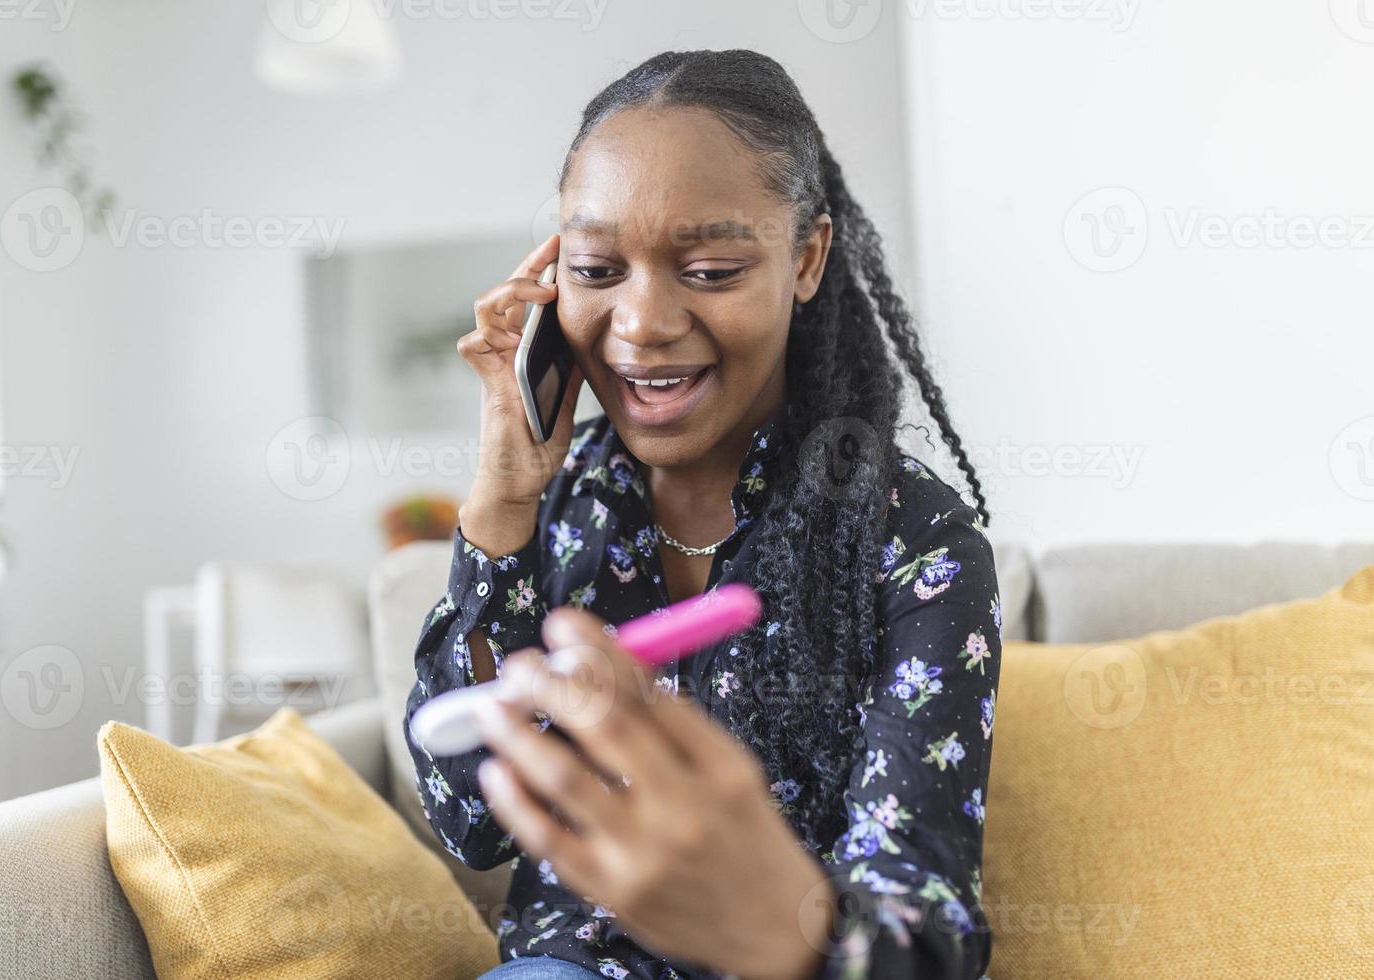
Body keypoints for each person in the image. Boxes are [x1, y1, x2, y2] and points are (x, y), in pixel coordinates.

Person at [406, 48, 1002, 980]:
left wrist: (781, 934)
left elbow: (925, 934)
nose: (641, 321)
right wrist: (501, 508)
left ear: (805, 258)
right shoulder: (556, 511)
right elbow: (467, 821)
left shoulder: (912, 538)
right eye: (598, 268)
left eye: (712, 269)